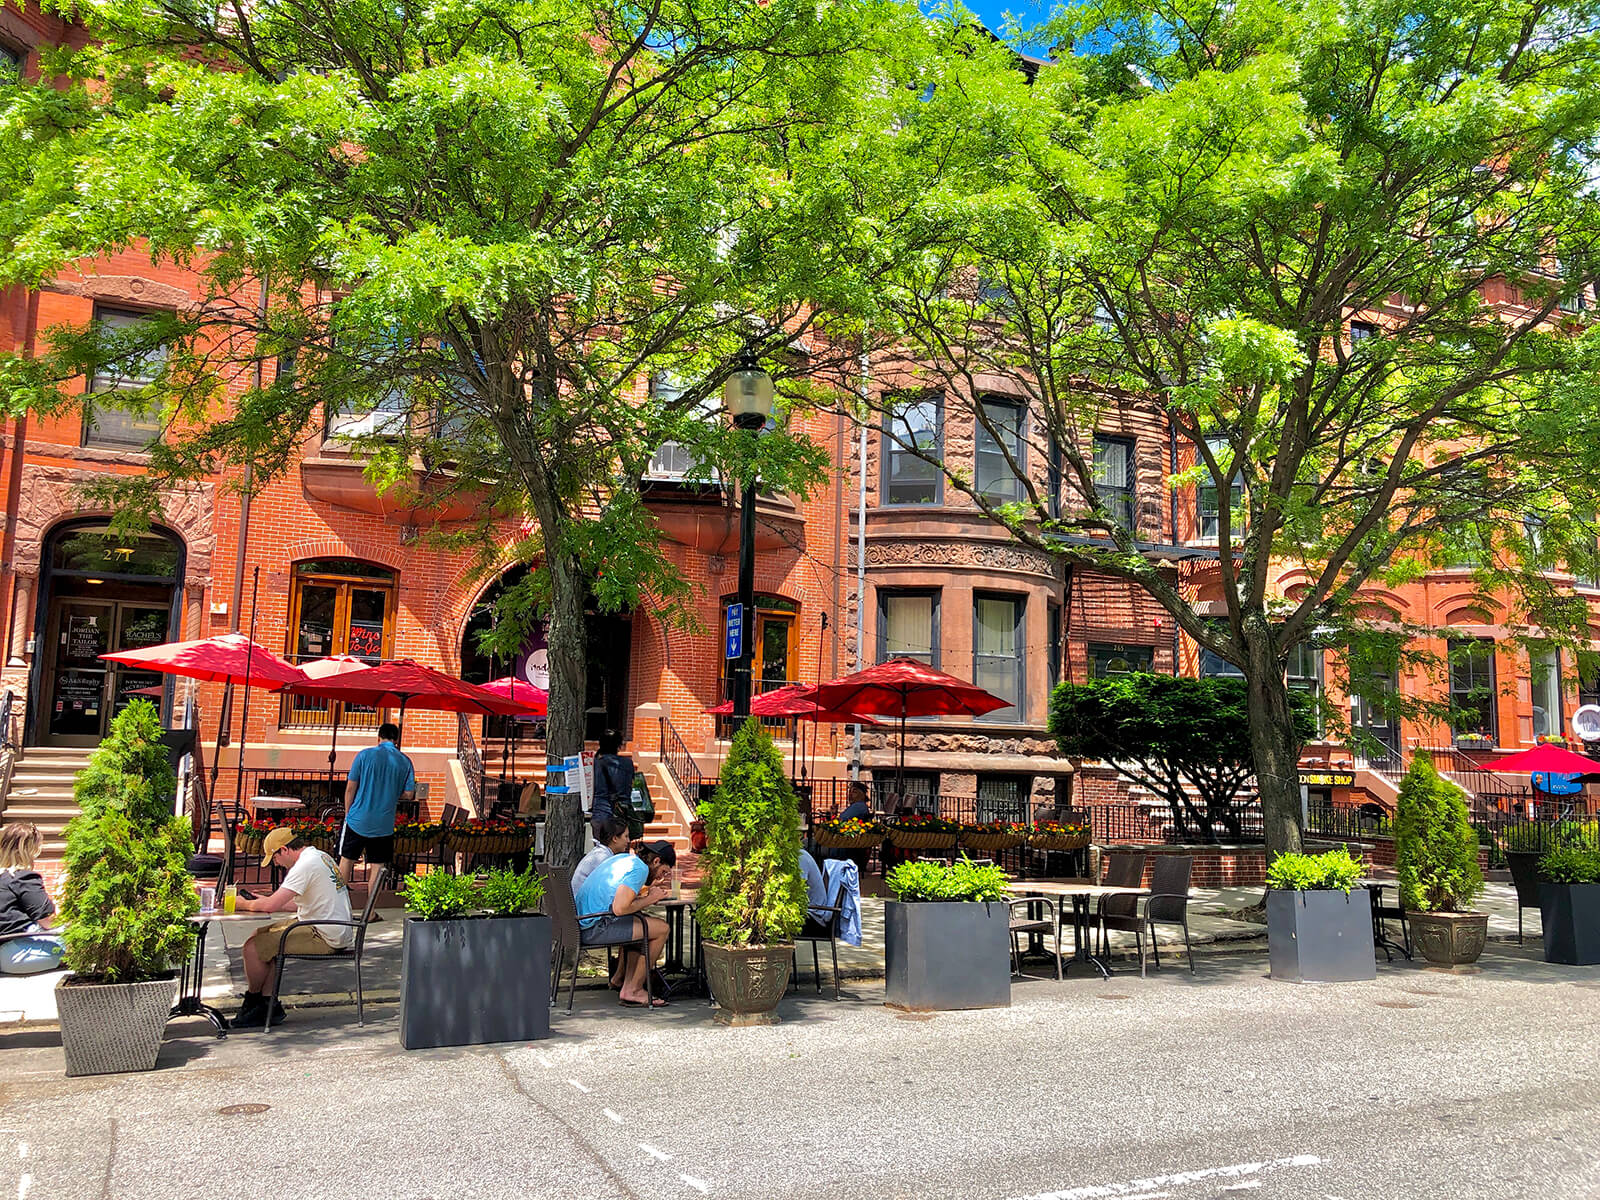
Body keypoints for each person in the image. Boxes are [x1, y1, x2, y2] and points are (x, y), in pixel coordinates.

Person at [232, 827, 354, 1028]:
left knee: (252, 947)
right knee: (259, 937)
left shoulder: (304, 866)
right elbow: (294, 903)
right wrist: (264, 900)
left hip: (324, 934)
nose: (276, 864)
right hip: (330, 926)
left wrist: (241, 904)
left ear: (284, 850)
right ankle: (268, 1003)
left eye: (275, 858)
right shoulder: (319, 855)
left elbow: (271, 907)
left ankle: (253, 1000)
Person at [574, 837, 669, 1008]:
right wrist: (651, 899)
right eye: (664, 872)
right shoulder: (639, 870)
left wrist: (646, 896)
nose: (662, 877)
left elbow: (620, 899)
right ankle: (634, 988)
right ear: (656, 861)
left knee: (639, 919)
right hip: (594, 928)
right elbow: (620, 908)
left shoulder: (625, 859)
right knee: (662, 928)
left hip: (581, 923)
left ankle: (621, 980)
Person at [338, 721, 416, 886]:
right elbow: (409, 794)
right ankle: (371, 910)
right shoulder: (405, 761)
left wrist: (347, 813)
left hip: (358, 818)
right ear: (396, 739)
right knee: (378, 867)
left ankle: (338, 907)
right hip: (384, 824)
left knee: (346, 860)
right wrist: (393, 791)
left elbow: (350, 788)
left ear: (379, 737)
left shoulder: (364, 755)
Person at [0, 823, 63, 975]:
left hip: (6, 953)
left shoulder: (3, 878)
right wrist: (62, 893)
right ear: (30, 850)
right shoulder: (23, 878)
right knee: (80, 938)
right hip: (19, 953)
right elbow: (48, 921)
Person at [591, 728, 637, 840]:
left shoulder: (595, 763)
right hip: (622, 815)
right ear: (619, 745)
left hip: (601, 814)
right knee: (621, 855)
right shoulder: (628, 763)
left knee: (602, 853)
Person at [571, 815, 630, 897]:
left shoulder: (600, 853)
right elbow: (611, 890)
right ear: (615, 838)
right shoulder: (603, 858)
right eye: (626, 836)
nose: (628, 841)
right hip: (585, 907)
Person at [798, 847, 831, 926]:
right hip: (809, 911)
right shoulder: (801, 854)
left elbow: (798, 887)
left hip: (814, 918)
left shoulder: (800, 857)